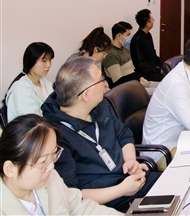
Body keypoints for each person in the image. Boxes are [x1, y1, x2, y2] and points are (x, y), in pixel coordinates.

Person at [41, 57, 159, 212]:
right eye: (100, 80)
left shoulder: (100, 106)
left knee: (180, 186)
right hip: (106, 202)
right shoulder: (55, 136)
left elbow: (123, 134)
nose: (104, 83)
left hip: (129, 181)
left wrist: (130, 161)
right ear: (86, 95)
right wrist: (122, 190)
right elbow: (71, 195)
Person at [0, 114, 121, 215]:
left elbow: (78, 207)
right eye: (43, 162)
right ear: (10, 169)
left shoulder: (50, 178)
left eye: (54, 154)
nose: (51, 166)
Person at [5, 42, 55, 123]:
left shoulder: (46, 83)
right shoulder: (21, 90)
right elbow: (33, 123)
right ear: (31, 61)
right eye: (44, 60)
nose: (48, 65)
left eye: (50, 60)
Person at [102, 21, 149, 88]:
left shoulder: (125, 50)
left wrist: (141, 78)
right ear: (119, 36)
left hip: (136, 83)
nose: (129, 38)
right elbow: (118, 81)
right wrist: (138, 83)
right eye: (127, 35)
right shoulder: (112, 55)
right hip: (127, 88)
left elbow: (133, 70)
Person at [130, 9, 164, 82]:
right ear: (147, 24)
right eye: (152, 19)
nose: (154, 20)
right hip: (145, 72)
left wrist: (163, 65)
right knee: (165, 78)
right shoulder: (137, 39)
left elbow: (153, 55)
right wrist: (157, 70)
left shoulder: (148, 35)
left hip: (153, 68)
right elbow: (140, 64)